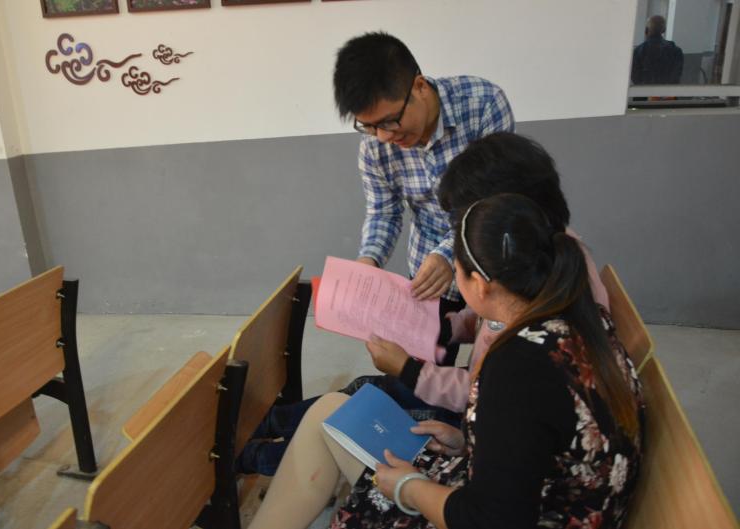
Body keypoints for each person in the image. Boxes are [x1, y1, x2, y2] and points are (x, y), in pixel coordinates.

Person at [249, 193, 644, 529]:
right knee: (333, 411)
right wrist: (470, 442)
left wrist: (410, 488)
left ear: (481, 285)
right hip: (544, 497)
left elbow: (492, 521)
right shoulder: (578, 316)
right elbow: (540, 436)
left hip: (502, 514)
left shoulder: (516, 365)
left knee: (341, 421)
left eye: (456, 272)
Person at [236, 132, 609, 475]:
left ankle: (250, 457)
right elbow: (486, 328)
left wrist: (409, 369)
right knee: (367, 389)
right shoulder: (542, 257)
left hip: (475, 422)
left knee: (350, 419)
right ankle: (262, 424)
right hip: (480, 407)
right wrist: (446, 326)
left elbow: (486, 395)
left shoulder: (539, 321)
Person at [334, 31, 515, 367]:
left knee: (495, 368)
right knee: (426, 372)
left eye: (390, 121)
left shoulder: (484, 104)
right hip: (428, 278)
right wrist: (369, 261)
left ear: (419, 86)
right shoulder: (375, 146)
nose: (384, 136)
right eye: (369, 126)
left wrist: (448, 254)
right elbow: (384, 212)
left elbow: (494, 201)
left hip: (492, 265)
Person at [631, 15, 684, 85]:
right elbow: (676, 77)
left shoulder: (638, 51)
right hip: (667, 91)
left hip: (644, 91)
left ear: (646, 30)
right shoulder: (676, 51)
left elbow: (635, 77)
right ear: (664, 30)